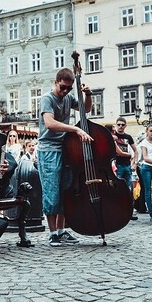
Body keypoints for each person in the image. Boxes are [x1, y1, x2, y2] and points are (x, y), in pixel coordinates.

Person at [37, 68, 92, 247]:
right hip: (48, 150)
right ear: (56, 81)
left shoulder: (68, 97)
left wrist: (88, 95)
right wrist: (76, 129)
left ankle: (61, 231)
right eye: (63, 88)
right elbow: (50, 123)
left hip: (65, 149)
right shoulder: (47, 98)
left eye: (69, 89)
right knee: (51, 191)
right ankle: (52, 233)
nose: (65, 92)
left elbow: (86, 109)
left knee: (65, 191)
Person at [112, 117, 138, 220]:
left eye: (122, 125)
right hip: (117, 165)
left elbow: (136, 150)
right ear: (116, 125)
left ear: (125, 126)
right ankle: (118, 211)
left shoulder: (128, 137)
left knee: (129, 189)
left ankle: (129, 212)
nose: (120, 126)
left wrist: (134, 163)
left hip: (127, 165)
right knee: (117, 189)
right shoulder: (113, 136)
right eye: (119, 124)